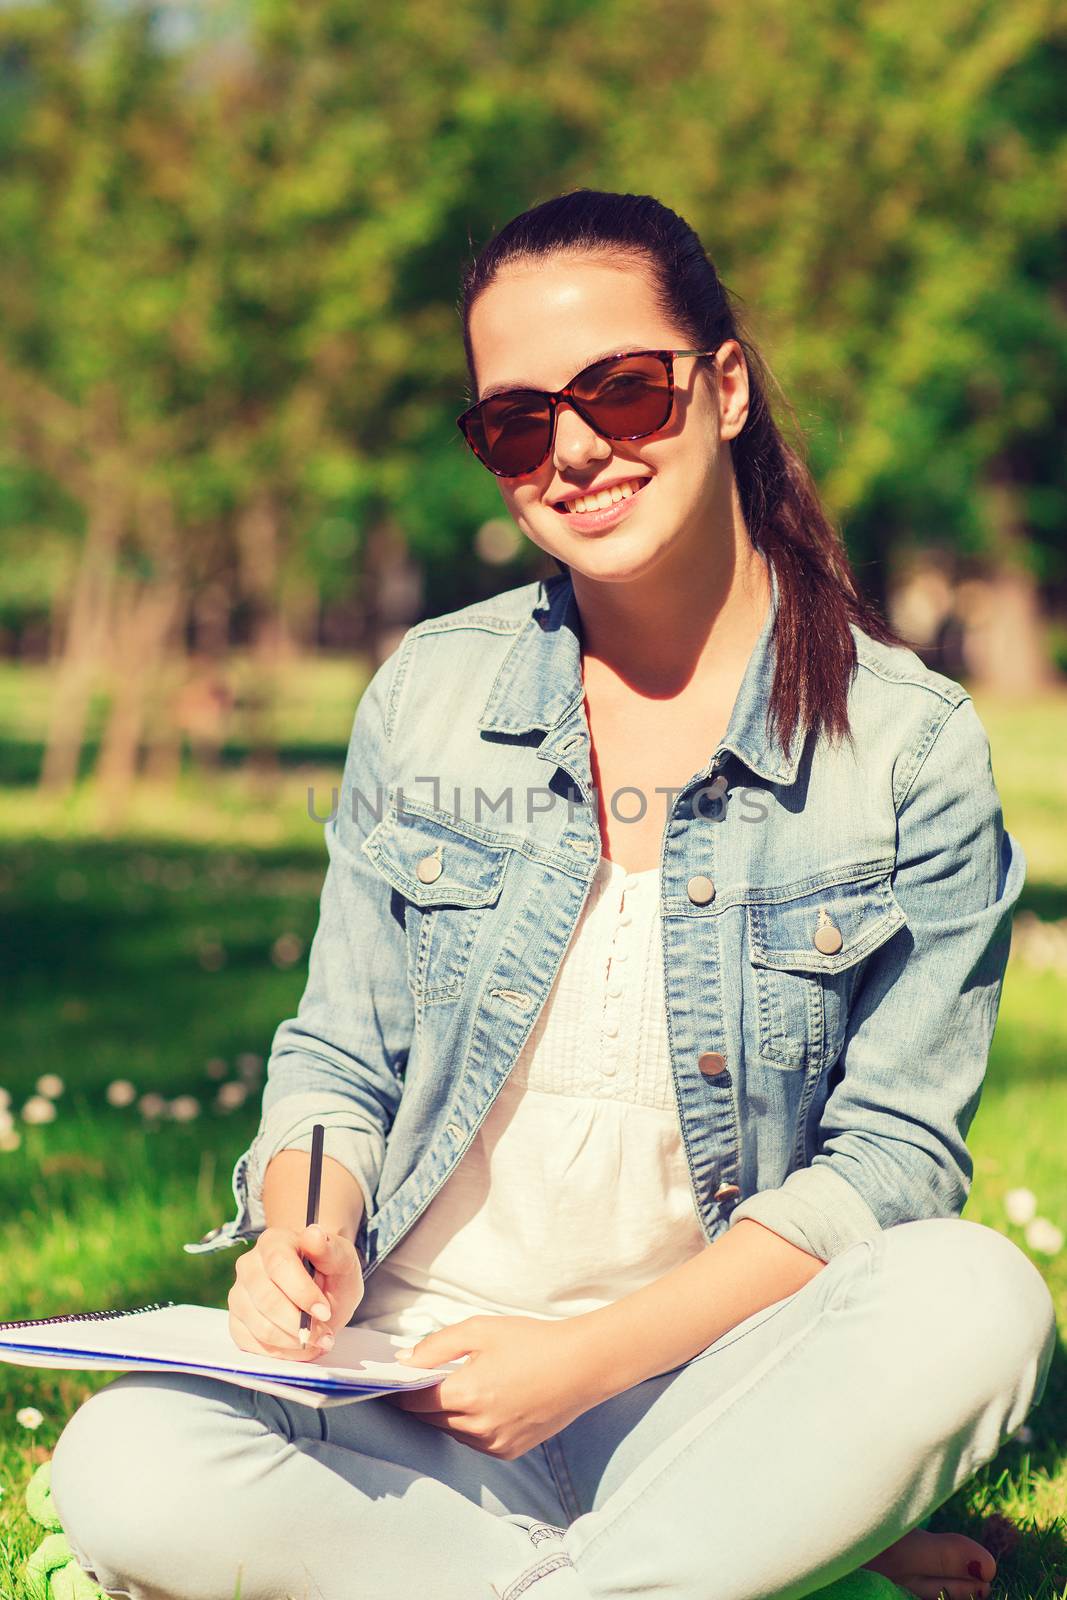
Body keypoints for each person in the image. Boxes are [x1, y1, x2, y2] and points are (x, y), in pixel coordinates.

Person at [50, 189, 1055, 1600]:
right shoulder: (433, 694)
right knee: (122, 1465)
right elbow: (339, 1055)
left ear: (724, 387)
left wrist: (582, 1363)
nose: (574, 449)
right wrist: (305, 1221)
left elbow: (891, 1162)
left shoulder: (904, 741)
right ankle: (707, 1572)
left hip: (710, 1394)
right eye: (517, 421)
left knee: (980, 1296)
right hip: (412, 1393)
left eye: (623, 392)